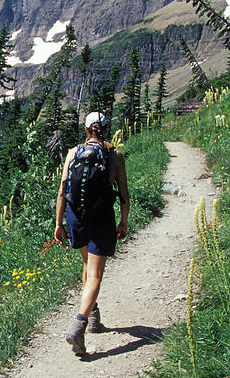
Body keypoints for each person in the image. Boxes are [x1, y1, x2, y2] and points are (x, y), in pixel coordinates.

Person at [54, 111, 129, 355]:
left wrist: (58, 223)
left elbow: (63, 190)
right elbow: (124, 194)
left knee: (87, 265)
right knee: (96, 274)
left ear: (86, 129)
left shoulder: (73, 153)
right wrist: (124, 222)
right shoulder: (114, 155)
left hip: (76, 216)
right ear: (105, 129)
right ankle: (79, 325)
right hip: (102, 216)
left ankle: (94, 317)